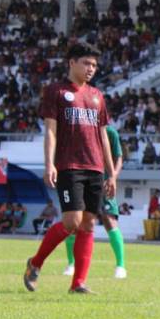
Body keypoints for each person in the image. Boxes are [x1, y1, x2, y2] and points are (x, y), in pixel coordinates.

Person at [23, 42, 117, 295]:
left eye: (95, 65)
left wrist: (111, 172)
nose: (91, 69)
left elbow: (103, 136)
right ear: (71, 63)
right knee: (71, 221)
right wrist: (49, 163)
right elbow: (50, 131)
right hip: (69, 165)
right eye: (86, 63)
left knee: (88, 224)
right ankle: (35, 262)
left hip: (95, 167)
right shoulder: (56, 91)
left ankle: (78, 283)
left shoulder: (97, 96)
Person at [64, 124, 127, 279]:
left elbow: (118, 157)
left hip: (103, 181)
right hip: (81, 180)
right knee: (73, 222)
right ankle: (71, 264)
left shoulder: (110, 132)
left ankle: (121, 266)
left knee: (109, 220)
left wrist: (113, 177)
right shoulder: (78, 128)